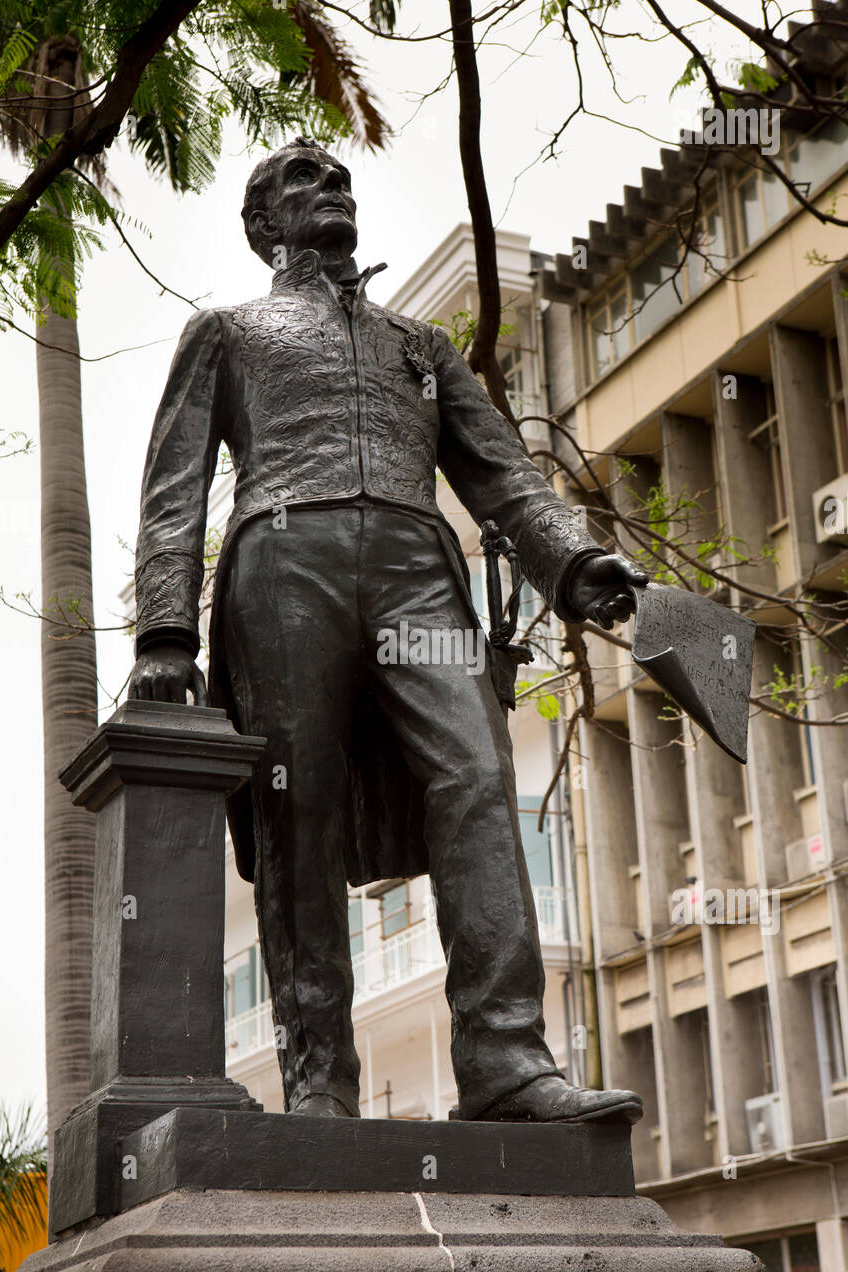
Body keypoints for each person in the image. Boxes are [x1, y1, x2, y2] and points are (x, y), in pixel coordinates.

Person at [130, 138, 647, 1125]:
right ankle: (319, 1077)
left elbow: (500, 473)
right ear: (261, 226)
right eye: (303, 180)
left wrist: (574, 562)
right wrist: (165, 636)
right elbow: (174, 490)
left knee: (478, 774)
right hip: (282, 559)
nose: (332, 187)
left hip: (418, 568)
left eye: (340, 177)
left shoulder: (422, 345)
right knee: (297, 805)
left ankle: (502, 1058)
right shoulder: (227, 333)